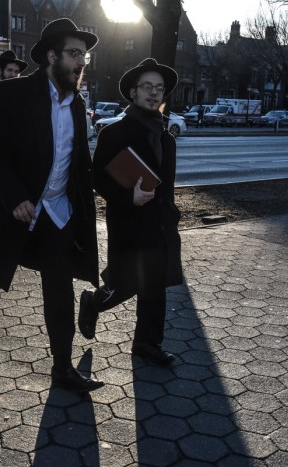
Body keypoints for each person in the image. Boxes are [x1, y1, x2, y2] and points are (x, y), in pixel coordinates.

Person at [0, 18, 103, 393]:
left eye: (83, 56)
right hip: (18, 208)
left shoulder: (77, 103)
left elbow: (76, 161)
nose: (80, 62)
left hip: (57, 211)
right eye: (74, 53)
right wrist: (15, 196)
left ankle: (62, 368)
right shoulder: (13, 94)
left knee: (60, 286)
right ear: (52, 56)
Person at [78, 58, 184, 367]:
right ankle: (94, 302)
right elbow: (97, 179)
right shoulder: (115, 134)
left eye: (159, 88)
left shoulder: (167, 138)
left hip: (160, 224)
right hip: (128, 221)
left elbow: (167, 187)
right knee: (127, 283)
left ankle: (147, 345)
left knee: (155, 285)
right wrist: (128, 197)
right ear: (133, 93)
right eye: (147, 87)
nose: (154, 93)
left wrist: (171, 215)